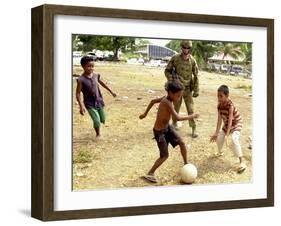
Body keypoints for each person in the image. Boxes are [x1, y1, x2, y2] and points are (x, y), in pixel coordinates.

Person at [139, 80, 199, 183]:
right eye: (178, 96)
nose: (179, 98)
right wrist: (192, 116)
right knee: (164, 156)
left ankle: (186, 164)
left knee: (182, 143)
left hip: (167, 127)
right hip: (159, 132)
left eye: (180, 96)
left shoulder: (167, 99)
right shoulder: (167, 102)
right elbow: (178, 118)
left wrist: (145, 114)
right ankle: (150, 173)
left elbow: (153, 101)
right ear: (170, 93)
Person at [76, 55, 117, 138]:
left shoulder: (96, 75)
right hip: (89, 103)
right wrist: (81, 106)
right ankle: (98, 134)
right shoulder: (81, 79)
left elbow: (102, 84)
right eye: (88, 66)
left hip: (99, 101)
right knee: (97, 121)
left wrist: (111, 92)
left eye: (92, 66)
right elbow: (77, 93)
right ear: (83, 66)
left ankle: (98, 124)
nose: (91, 68)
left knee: (103, 119)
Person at [210, 85, 247, 173]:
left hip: (236, 123)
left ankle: (242, 162)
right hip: (227, 125)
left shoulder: (230, 105)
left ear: (227, 96)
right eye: (218, 96)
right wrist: (216, 132)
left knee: (234, 139)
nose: (219, 98)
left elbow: (230, 120)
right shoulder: (219, 106)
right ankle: (220, 152)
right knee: (219, 138)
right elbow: (219, 120)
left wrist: (227, 135)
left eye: (221, 96)